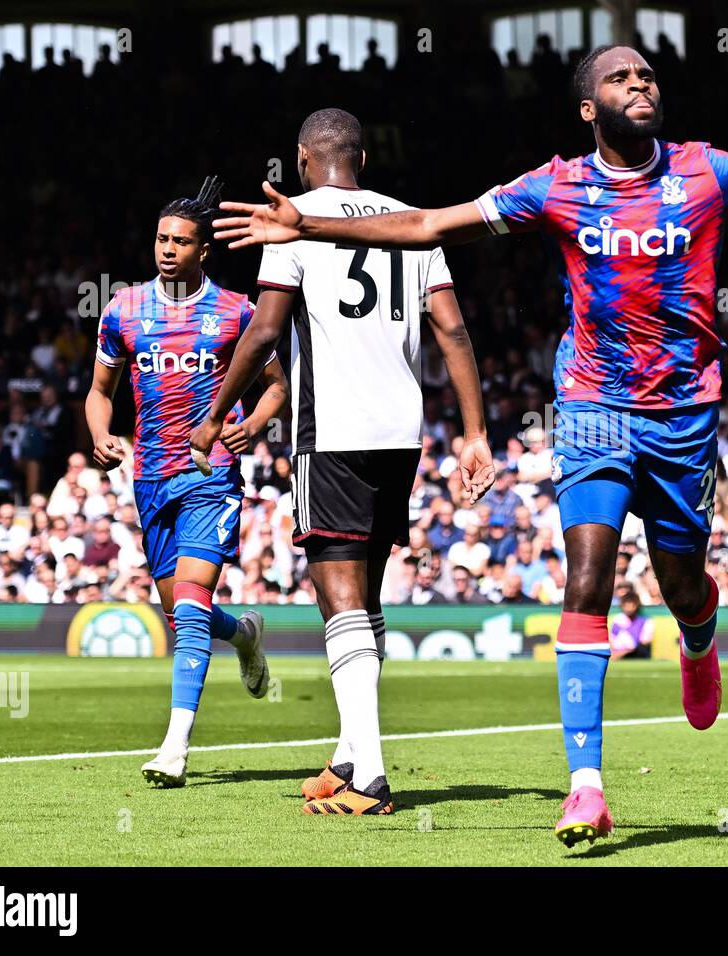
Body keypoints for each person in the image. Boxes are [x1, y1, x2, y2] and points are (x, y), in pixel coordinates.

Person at [212, 45, 728, 847]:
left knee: (684, 580)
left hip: (685, 415)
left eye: (648, 74)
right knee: (587, 574)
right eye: (621, 77)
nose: (641, 82)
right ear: (590, 107)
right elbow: (432, 224)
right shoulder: (556, 185)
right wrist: (308, 227)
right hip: (590, 409)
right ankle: (587, 783)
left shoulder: (706, 170)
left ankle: (700, 636)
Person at [190, 109, 495, 816]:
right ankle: (352, 752)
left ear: (304, 159)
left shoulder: (292, 219)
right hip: (401, 431)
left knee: (339, 594)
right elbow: (450, 326)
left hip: (332, 428)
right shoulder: (412, 219)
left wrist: (213, 414)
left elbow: (266, 328)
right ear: (361, 157)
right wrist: (473, 429)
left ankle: (372, 777)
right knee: (363, 596)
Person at [86, 176, 287, 787]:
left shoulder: (237, 313)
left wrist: (252, 424)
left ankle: (174, 746)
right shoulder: (123, 310)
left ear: (205, 251)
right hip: (149, 478)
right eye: (161, 238)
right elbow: (100, 394)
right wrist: (100, 435)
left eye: (181, 241)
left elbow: (277, 385)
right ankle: (245, 636)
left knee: (192, 607)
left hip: (210, 474)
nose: (167, 248)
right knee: (183, 610)